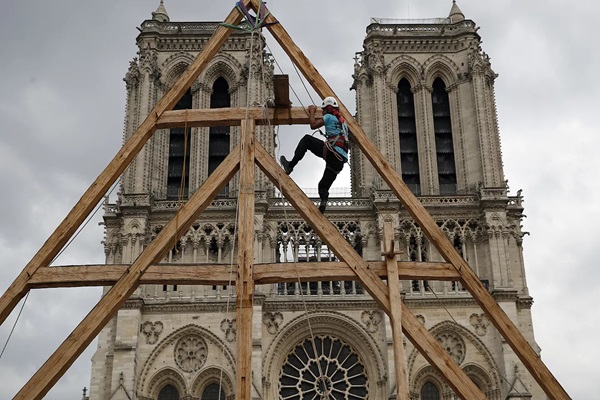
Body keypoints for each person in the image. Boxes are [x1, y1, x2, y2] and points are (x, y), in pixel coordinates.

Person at [280, 96, 349, 213]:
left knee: (307, 140)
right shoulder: (344, 124)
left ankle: (290, 165)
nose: (322, 112)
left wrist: (312, 111)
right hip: (340, 161)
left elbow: (313, 125)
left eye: (323, 110)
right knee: (323, 185)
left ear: (328, 109)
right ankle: (323, 203)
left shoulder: (328, 116)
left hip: (332, 152)